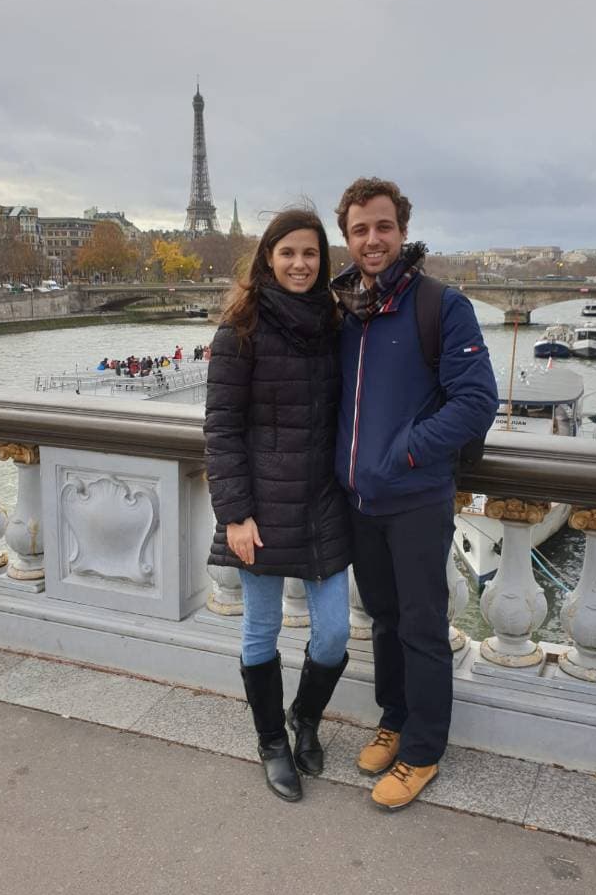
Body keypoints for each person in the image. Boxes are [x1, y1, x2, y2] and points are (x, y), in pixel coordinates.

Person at [332, 176, 498, 811]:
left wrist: (402, 451)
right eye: (359, 230)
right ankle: (395, 719)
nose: (371, 240)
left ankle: (423, 751)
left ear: (401, 230)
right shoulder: (343, 310)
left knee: (423, 627)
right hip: (359, 499)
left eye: (382, 227)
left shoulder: (440, 305)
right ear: (346, 238)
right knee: (384, 621)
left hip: (415, 496)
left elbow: (478, 401)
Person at [204, 206, 352, 803]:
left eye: (311, 253)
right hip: (261, 509)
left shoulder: (338, 325)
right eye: (288, 252)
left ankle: (305, 719)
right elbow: (221, 431)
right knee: (261, 631)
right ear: (269, 257)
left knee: (336, 634)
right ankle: (271, 743)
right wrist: (235, 515)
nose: (300, 263)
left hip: (321, 502)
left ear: (323, 261)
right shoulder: (239, 330)